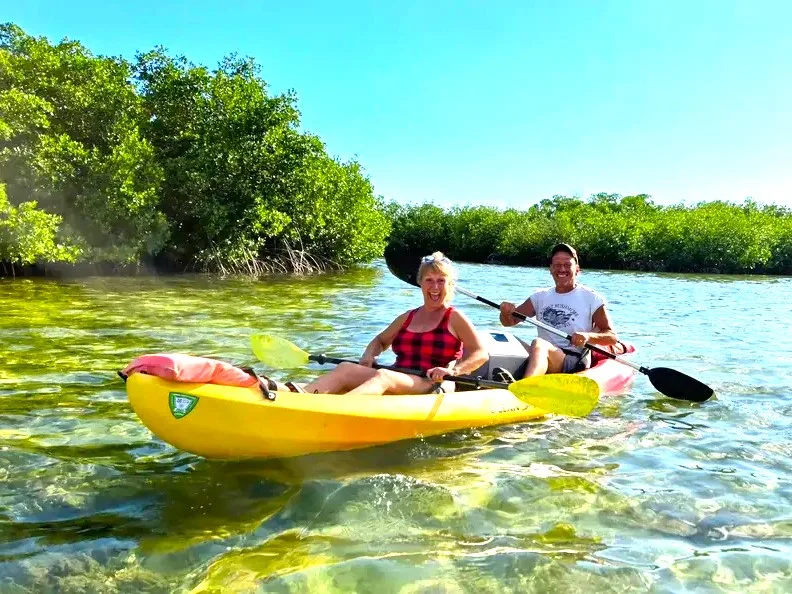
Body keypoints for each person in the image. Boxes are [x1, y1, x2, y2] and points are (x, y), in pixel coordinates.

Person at [302, 251, 488, 395]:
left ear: (450, 285)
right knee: (345, 368)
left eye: (441, 281)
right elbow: (380, 341)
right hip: (400, 376)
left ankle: (336, 410)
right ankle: (301, 397)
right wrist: (369, 355)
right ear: (420, 283)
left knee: (384, 376)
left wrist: (454, 371)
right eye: (429, 280)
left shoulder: (454, 317)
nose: (435, 287)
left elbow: (480, 353)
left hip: (431, 383)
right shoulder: (408, 317)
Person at [499, 243, 618, 378]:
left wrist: (588, 336)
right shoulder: (539, 296)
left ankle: (525, 385)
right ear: (550, 268)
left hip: (573, 359)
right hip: (544, 353)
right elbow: (509, 322)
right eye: (557, 265)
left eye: (567, 265)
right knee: (507, 339)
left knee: (539, 344)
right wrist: (505, 312)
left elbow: (612, 337)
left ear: (577, 269)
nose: (562, 269)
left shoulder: (592, 298)